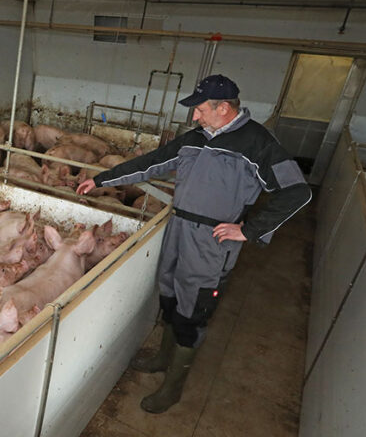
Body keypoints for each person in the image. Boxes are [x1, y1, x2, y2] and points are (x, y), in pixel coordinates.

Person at [76, 74, 311, 414]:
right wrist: (100, 179)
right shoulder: (195, 139)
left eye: (200, 110)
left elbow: (297, 191)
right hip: (179, 227)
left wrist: (250, 229)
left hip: (212, 241)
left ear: (224, 108)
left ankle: (173, 387)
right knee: (169, 295)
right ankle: (162, 358)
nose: (195, 117)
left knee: (193, 311)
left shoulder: (257, 143)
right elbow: (150, 163)